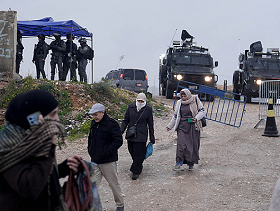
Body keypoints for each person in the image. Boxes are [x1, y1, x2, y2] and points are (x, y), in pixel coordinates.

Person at [0, 89, 81, 211]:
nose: (57, 120)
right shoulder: (8, 148)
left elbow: (40, 173)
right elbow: (30, 187)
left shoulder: (34, 140)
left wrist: (65, 168)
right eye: (53, 114)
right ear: (35, 118)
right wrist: (48, 147)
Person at [87, 103, 124, 211]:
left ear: (103, 112)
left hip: (108, 161)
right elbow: (90, 139)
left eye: (96, 114)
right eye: (92, 115)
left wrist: (106, 152)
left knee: (113, 184)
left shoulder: (112, 124)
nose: (94, 117)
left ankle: (120, 205)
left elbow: (118, 141)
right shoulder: (93, 123)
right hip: (95, 161)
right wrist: (90, 150)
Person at [166, 88, 205, 171]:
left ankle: (191, 163)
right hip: (182, 127)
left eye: (185, 96)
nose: (183, 98)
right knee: (181, 144)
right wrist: (170, 126)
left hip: (193, 127)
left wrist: (196, 118)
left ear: (188, 95)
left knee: (192, 146)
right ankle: (178, 163)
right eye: (182, 96)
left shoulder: (195, 100)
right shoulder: (179, 103)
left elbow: (202, 111)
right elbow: (176, 115)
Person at [120, 93, 155, 180]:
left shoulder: (148, 109)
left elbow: (150, 124)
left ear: (145, 101)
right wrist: (120, 131)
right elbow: (126, 120)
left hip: (141, 135)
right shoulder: (131, 107)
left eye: (142, 101)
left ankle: (136, 171)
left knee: (139, 153)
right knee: (132, 151)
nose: (140, 102)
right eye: (138, 100)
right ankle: (137, 164)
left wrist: (152, 137)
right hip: (131, 134)